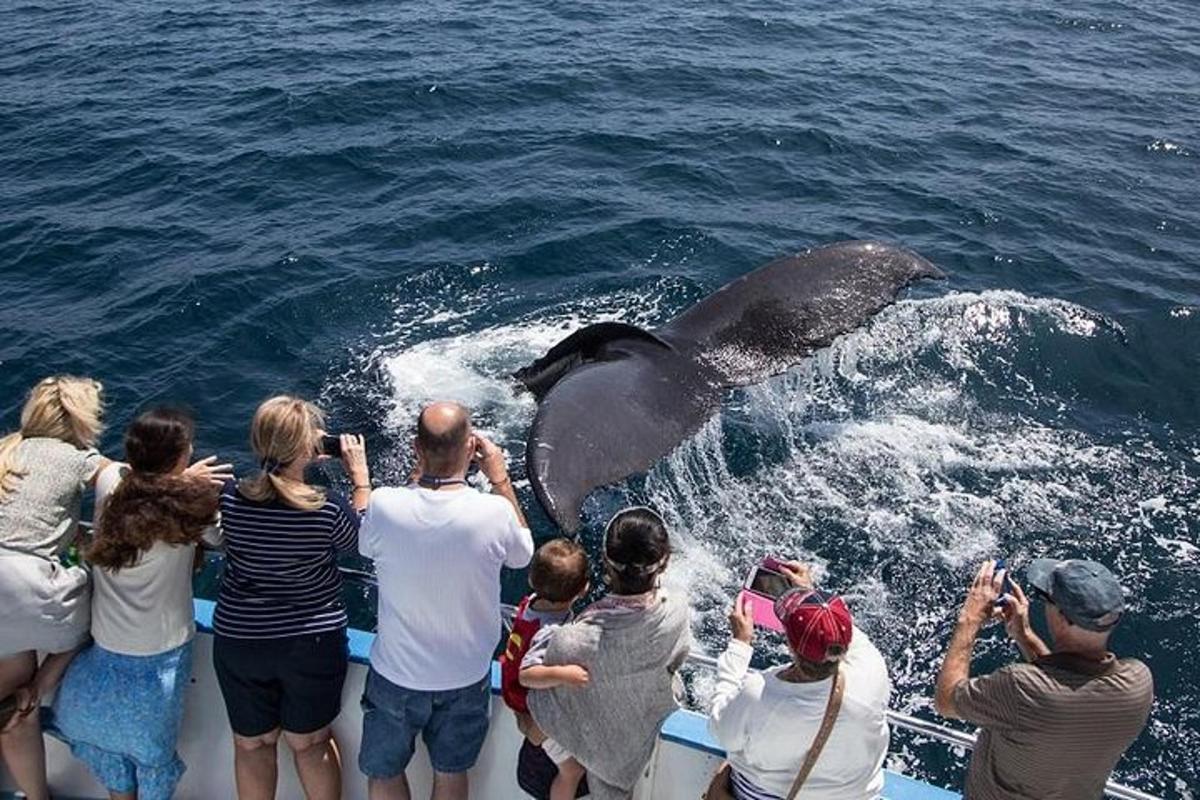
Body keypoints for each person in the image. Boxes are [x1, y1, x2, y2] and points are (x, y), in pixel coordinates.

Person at [48, 407, 229, 800]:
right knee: (152, 762)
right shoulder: (192, 505)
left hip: (105, 648)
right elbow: (220, 540)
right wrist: (187, 486)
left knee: (117, 769)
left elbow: (121, 475)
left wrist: (176, 480)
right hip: (160, 656)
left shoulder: (112, 484)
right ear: (181, 457)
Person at [357, 401, 534, 800]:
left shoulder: (385, 503)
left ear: (417, 448)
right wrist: (501, 480)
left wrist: (415, 482)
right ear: (472, 449)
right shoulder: (493, 512)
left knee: (383, 773)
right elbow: (523, 555)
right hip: (466, 676)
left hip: (395, 675)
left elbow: (366, 545)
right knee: (451, 773)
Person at [212, 395, 370, 800]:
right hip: (309, 644)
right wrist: (360, 480)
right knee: (311, 742)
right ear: (306, 449)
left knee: (251, 745)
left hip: (240, 640)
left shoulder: (230, 498)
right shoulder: (326, 508)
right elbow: (362, 541)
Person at [934, 558, 1154, 800]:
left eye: (1046, 598)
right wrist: (1024, 635)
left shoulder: (1020, 685)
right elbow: (1068, 687)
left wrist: (970, 618)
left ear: (1062, 616)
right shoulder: (1138, 684)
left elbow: (946, 701)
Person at [527, 507, 691, 800]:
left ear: (604, 560)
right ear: (663, 563)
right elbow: (675, 662)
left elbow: (538, 719)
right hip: (633, 744)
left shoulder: (568, 640)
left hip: (585, 746)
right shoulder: (677, 612)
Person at [0, 375, 111, 800]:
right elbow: (126, 482)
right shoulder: (80, 458)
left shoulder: (7, 451)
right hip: (31, 589)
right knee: (88, 625)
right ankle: (35, 694)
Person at [707, 563, 891, 800]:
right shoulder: (873, 668)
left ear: (791, 646)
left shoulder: (759, 693)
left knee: (722, 775)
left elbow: (720, 730)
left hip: (763, 793)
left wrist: (739, 645)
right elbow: (847, 636)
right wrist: (811, 596)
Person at [500, 539, 591, 800]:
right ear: (583, 589)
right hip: (532, 707)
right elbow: (528, 674)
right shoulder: (552, 631)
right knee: (571, 772)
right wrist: (566, 674)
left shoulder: (531, 602)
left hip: (516, 695)